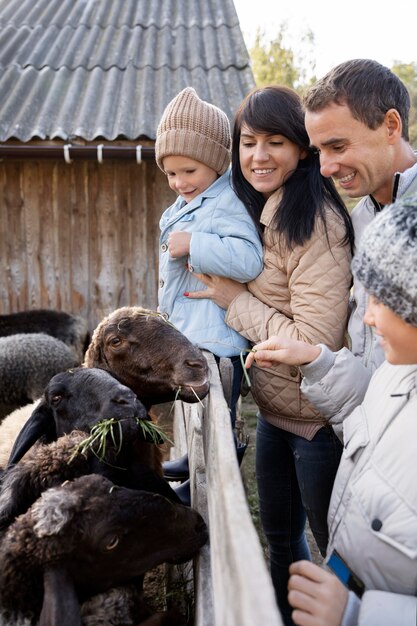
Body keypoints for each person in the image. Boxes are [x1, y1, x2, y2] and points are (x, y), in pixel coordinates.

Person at [184, 85, 354, 625]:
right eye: (248, 142)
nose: (258, 155)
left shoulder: (316, 223)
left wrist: (235, 302)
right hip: (279, 414)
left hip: (320, 423)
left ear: (303, 148)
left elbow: (314, 341)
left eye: (275, 141)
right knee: (281, 542)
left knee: (336, 560)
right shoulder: (262, 210)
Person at [248, 195, 417, 626]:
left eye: (383, 302)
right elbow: (364, 418)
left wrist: (359, 615)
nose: (368, 319)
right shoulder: (396, 374)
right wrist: (316, 360)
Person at [261, 59, 417, 438]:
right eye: (319, 151)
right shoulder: (361, 218)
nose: (326, 167)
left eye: (337, 146)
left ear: (391, 126)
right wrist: (318, 362)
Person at [155, 87, 263, 485]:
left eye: (189, 171)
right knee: (199, 413)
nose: (179, 182)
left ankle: (221, 472)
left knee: (219, 410)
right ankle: (195, 467)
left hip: (218, 338)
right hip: (192, 331)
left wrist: (194, 244)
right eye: (171, 173)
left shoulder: (228, 202)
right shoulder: (184, 205)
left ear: (217, 163)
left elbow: (249, 259)